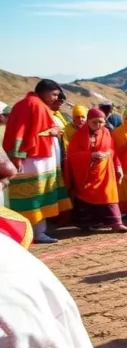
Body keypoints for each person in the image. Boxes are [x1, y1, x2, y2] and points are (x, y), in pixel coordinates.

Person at [2, 79, 73, 244]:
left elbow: (30, 132)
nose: (56, 98)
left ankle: (31, 232)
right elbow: (21, 134)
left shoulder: (31, 104)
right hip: (34, 160)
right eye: (54, 94)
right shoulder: (32, 105)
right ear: (43, 91)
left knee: (38, 194)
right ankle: (34, 233)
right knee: (35, 196)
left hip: (37, 158)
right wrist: (18, 157)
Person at [66, 108, 127, 233]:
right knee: (87, 196)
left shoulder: (106, 132)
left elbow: (113, 150)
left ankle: (117, 223)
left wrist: (118, 166)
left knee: (109, 195)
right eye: (95, 122)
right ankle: (88, 223)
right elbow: (72, 155)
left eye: (101, 122)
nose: (98, 125)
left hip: (106, 170)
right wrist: (91, 155)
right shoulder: (79, 135)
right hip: (87, 173)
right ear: (88, 121)